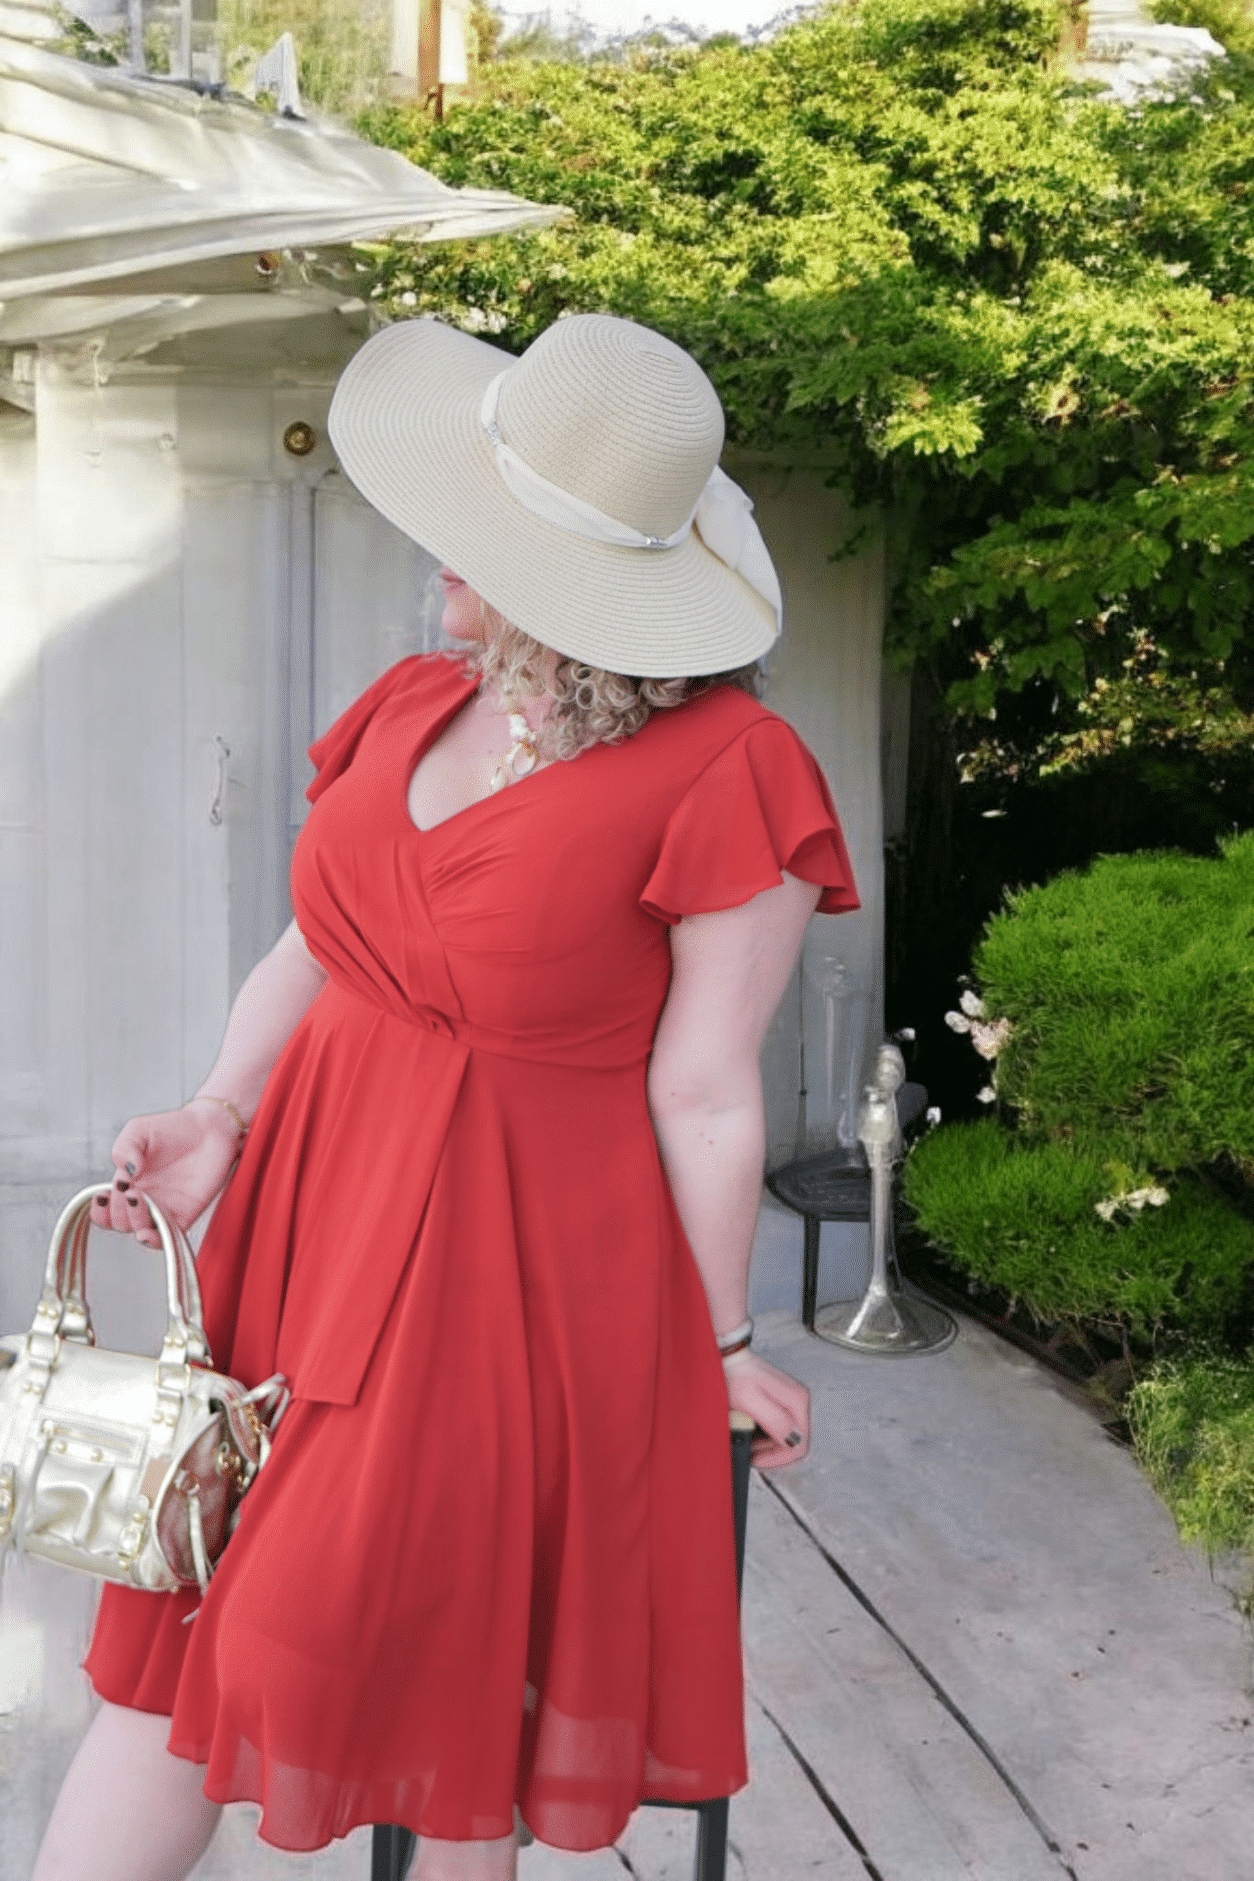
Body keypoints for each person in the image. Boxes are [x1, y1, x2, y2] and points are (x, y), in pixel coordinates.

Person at [32, 313, 859, 1881]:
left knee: (429, 1668)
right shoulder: (418, 698)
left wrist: (719, 1345)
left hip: (506, 1271)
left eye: (475, 527)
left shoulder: (732, 767)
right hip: (309, 1215)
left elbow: (702, 1091)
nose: (434, 545)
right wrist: (220, 1115)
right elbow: (316, 946)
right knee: (189, 1602)